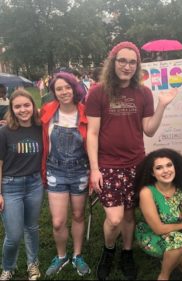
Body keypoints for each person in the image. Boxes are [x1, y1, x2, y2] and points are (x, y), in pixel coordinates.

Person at [85, 41, 177, 280]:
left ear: (137, 66)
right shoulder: (97, 92)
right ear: (113, 62)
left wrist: (162, 106)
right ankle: (108, 250)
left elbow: (149, 130)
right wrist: (94, 170)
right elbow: (92, 133)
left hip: (136, 163)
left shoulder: (143, 92)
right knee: (114, 218)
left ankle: (126, 253)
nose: (127, 66)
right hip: (108, 165)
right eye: (122, 60)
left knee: (128, 214)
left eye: (132, 62)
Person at [40, 72, 91, 277]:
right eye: (58, 89)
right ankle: (61, 256)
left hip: (80, 171)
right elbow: (26, 121)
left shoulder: (86, 113)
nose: (63, 92)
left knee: (78, 215)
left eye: (67, 87)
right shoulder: (47, 111)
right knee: (58, 221)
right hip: (56, 170)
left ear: (74, 88)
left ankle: (77, 255)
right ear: (54, 92)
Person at [135, 148, 182, 280]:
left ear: (175, 167)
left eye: (169, 165)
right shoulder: (147, 192)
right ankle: (163, 276)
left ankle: (169, 257)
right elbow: (158, 229)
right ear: (153, 173)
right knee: (180, 242)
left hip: (174, 235)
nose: (166, 170)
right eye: (159, 168)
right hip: (151, 235)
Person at [0, 89, 43, 281]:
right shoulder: (4, 132)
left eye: (27, 105)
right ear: (12, 109)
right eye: (17, 106)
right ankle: (8, 266)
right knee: (14, 235)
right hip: (10, 186)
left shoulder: (40, 127)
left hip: (34, 184)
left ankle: (33, 263)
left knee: (32, 227)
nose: (23, 110)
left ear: (34, 106)